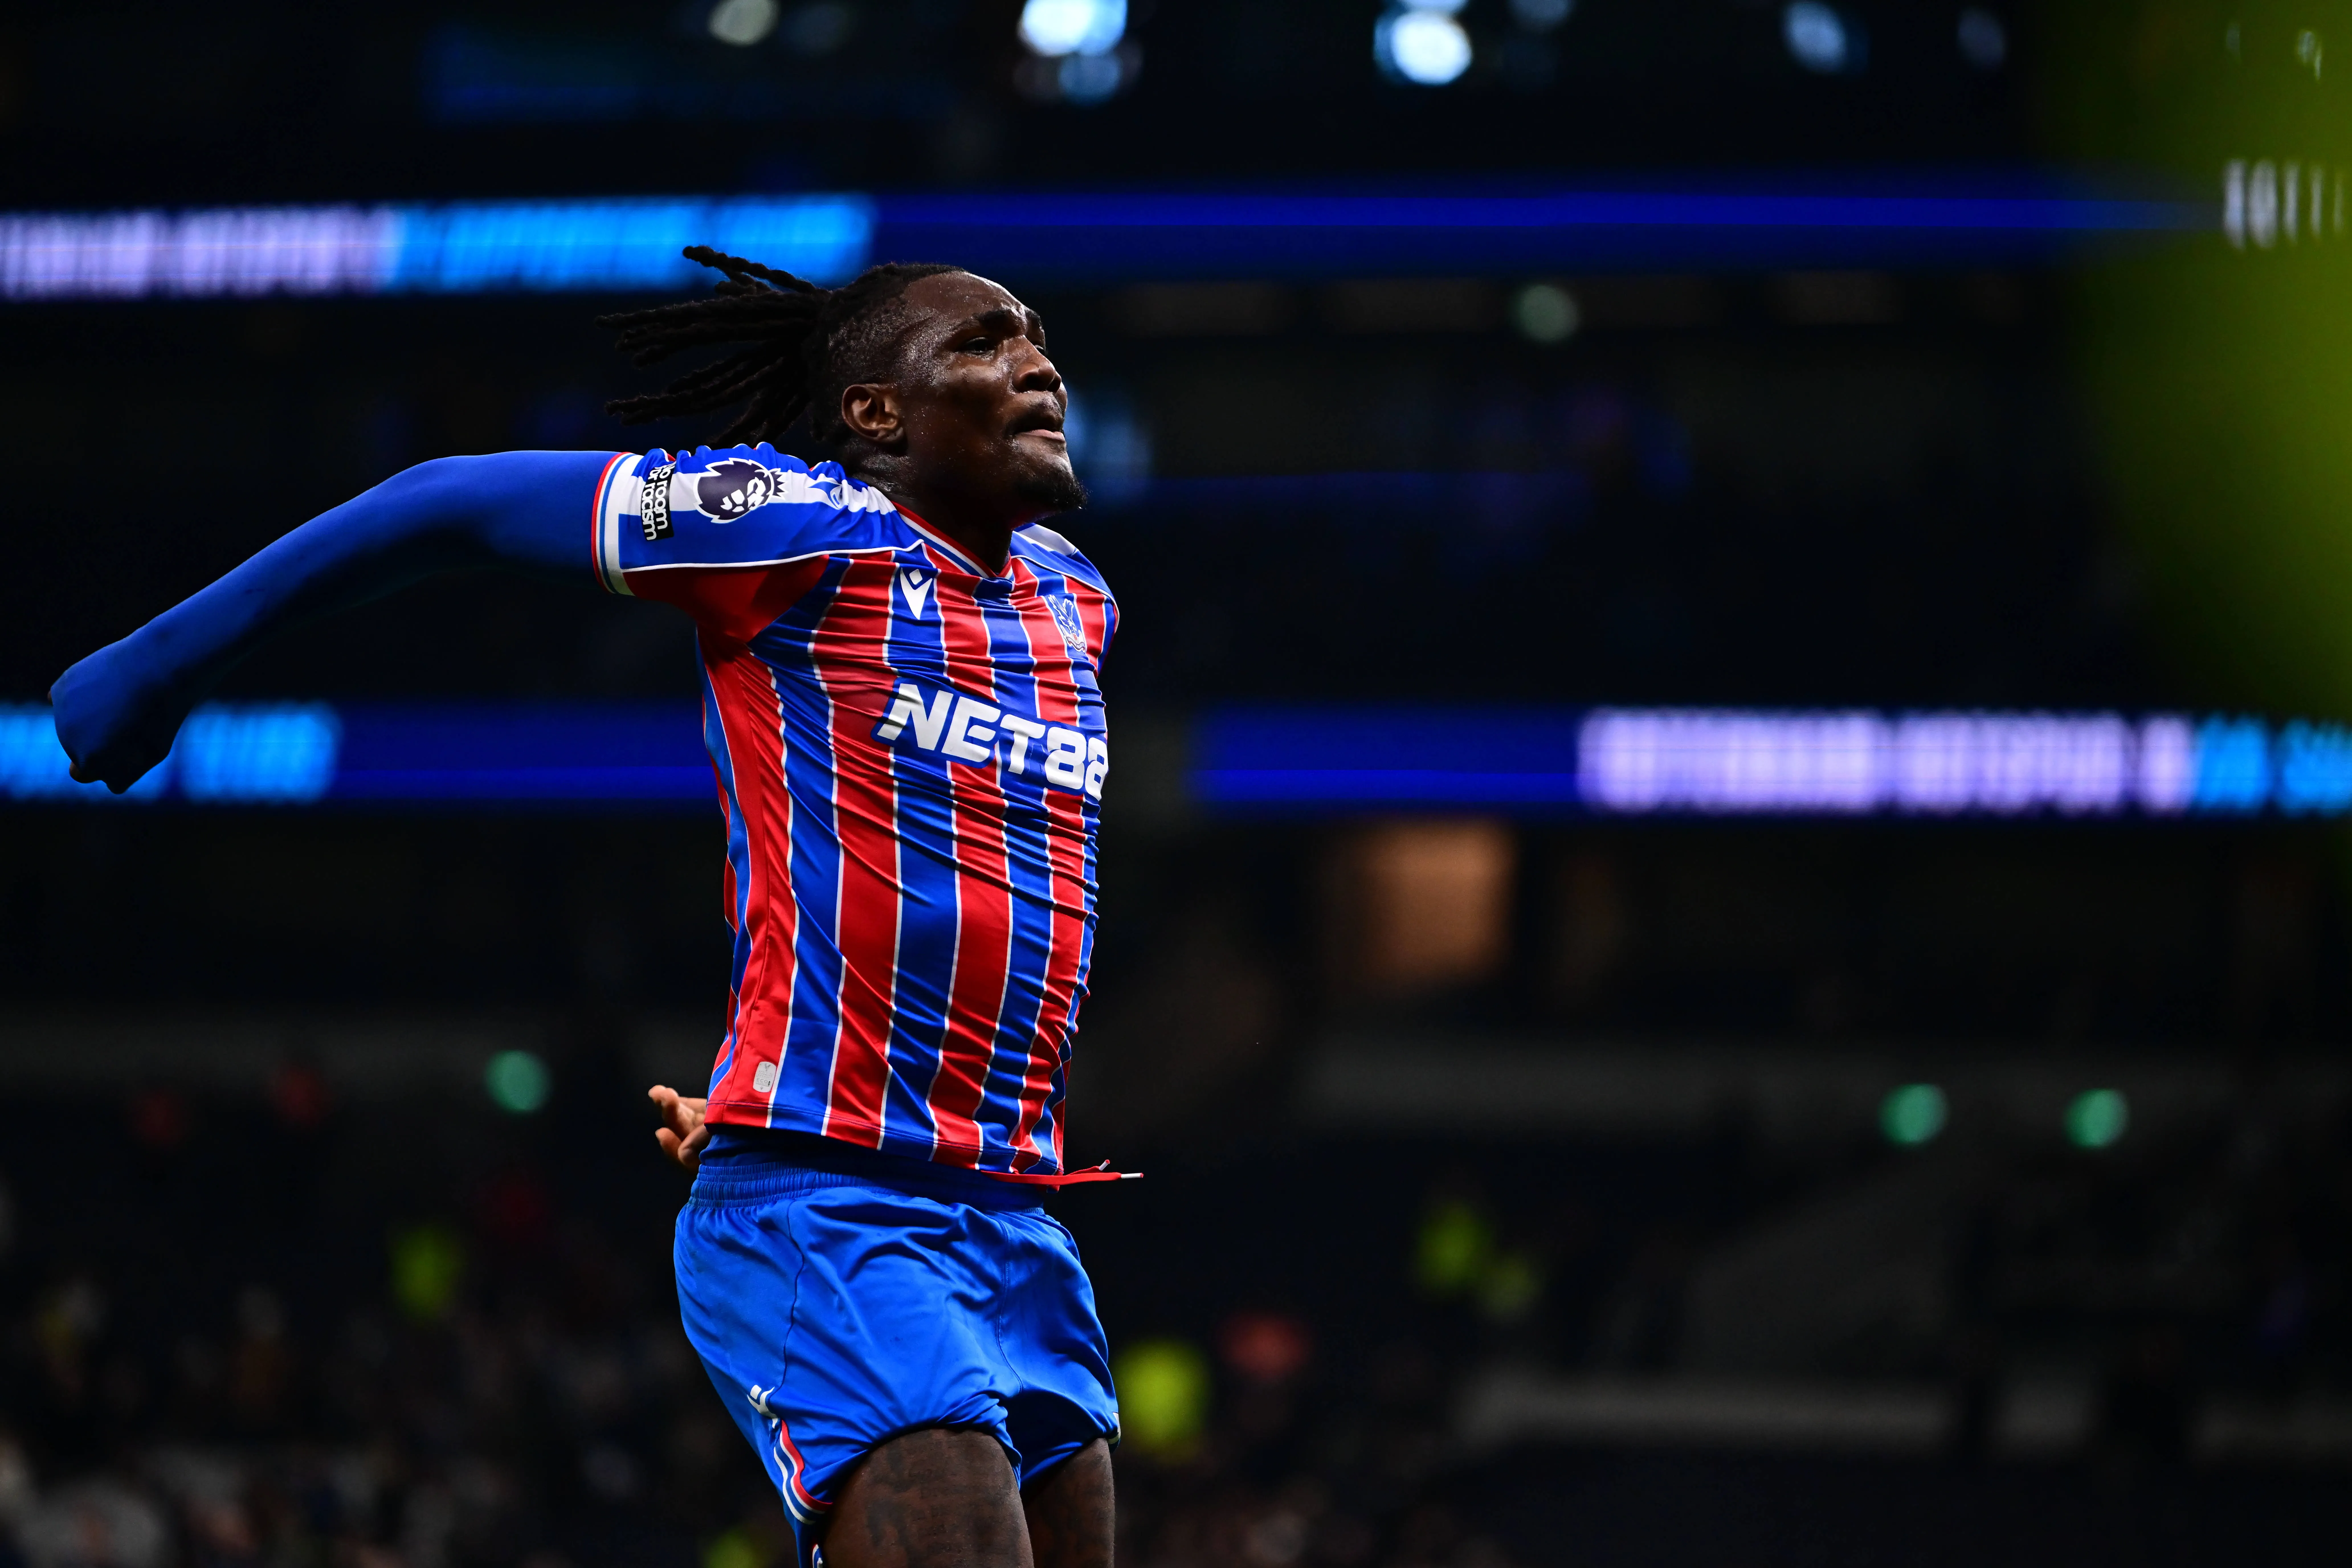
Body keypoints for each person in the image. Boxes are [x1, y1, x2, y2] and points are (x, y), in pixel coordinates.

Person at [50, 249, 1125, 1568]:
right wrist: (161, 664)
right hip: (838, 1209)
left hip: (1012, 1213)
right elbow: (453, 502)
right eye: (984, 341)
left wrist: (749, 1080)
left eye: (1038, 334)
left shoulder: (1076, 598)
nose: (1038, 360)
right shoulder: (798, 524)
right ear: (877, 414)